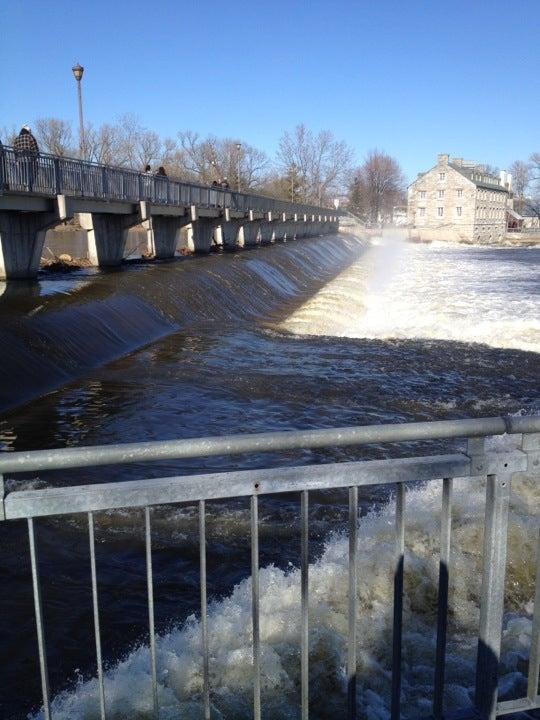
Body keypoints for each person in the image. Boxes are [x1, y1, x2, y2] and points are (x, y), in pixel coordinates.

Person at [14, 125, 39, 190]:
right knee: (32, 172)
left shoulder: (17, 138)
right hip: (29, 158)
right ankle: (29, 186)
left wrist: (16, 159)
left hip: (20, 159)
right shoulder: (30, 137)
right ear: (28, 131)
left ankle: (24, 184)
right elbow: (35, 148)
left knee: (23, 173)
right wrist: (36, 156)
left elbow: (14, 150)